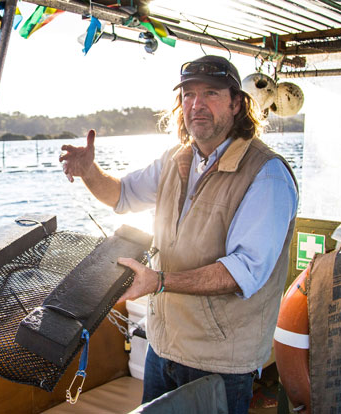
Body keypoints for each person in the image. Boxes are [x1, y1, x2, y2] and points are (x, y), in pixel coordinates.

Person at [59, 55, 298, 414]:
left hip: (219, 360)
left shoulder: (266, 173)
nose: (196, 104)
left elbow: (243, 270)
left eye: (211, 94)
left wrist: (159, 281)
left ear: (236, 103)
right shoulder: (177, 158)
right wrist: (90, 171)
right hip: (163, 347)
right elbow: (122, 195)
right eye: (188, 95)